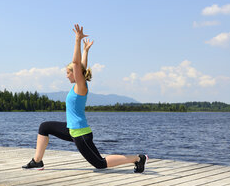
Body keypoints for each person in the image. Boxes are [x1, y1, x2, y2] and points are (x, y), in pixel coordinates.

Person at [22, 24, 148, 173]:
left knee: (100, 164)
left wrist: (77, 40)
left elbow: (77, 65)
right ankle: (37, 161)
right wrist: (86, 50)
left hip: (81, 133)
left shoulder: (81, 86)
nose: (66, 75)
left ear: (75, 74)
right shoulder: (78, 85)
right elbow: (81, 66)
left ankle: (138, 158)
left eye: (68, 73)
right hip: (71, 129)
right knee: (45, 127)